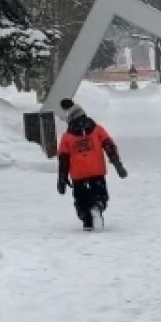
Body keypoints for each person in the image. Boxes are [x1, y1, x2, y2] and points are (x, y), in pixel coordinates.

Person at [57, 98, 127, 231]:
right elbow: (109, 145)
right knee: (100, 193)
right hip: (97, 171)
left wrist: (62, 178)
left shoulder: (67, 137)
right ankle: (98, 205)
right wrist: (117, 164)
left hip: (78, 174)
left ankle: (87, 220)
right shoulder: (97, 129)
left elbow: (63, 158)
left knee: (81, 199)